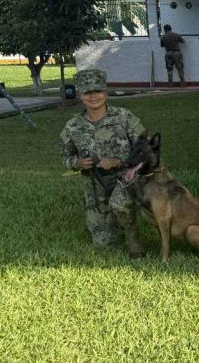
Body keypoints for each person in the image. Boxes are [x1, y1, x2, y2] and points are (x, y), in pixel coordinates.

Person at [60, 69, 146, 256]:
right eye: (87, 92)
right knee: (103, 243)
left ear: (105, 93)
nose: (93, 96)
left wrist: (119, 160)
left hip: (127, 178)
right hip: (95, 184)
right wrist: (77, 163)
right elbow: (65, 157)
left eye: (97, 91)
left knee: (119, 203)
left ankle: (133, 240)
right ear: (81, 96)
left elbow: (144, 148)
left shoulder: (123, 117)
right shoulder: (72, 126)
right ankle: (115, 223)